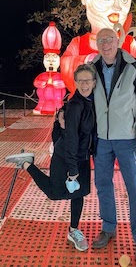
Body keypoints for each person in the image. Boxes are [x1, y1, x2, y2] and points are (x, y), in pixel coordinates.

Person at [5, 64, 96, 252]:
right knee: (55, 192)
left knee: (79, 194)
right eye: (81, 81)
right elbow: (71, 138)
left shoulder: (92, 101)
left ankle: (74, 230)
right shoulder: (76, 105)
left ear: (94, 82)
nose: (85, 84)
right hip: (66, 156)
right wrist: (73, 170)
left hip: (82, 156)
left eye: (88, 80)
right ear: (75, 83)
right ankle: (27, 164)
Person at [91, 28, 136, 265]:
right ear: (97, 44)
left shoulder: (133, 66)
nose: (105, 44)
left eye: (109, 39)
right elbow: (83, 93)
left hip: (128, 138)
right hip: (102, 140)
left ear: (118, 41)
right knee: (103, 185)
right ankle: (108, 228)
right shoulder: (92, 66)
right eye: (101, 40)